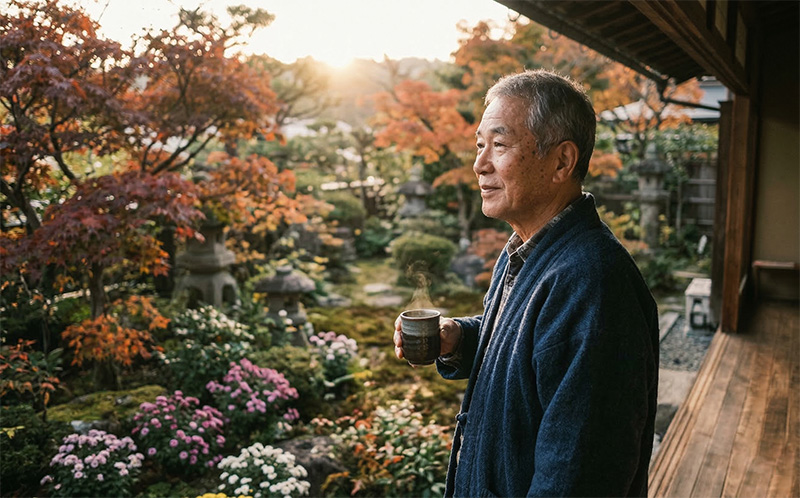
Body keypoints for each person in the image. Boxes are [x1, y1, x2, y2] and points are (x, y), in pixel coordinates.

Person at [393, 69, 659, 498]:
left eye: (499, 145)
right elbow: (532, 345)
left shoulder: (593, 284)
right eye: (479, 145)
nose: (480, 164)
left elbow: (579, 477)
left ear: (562, 161)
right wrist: (459, 337)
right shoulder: (528, 247)